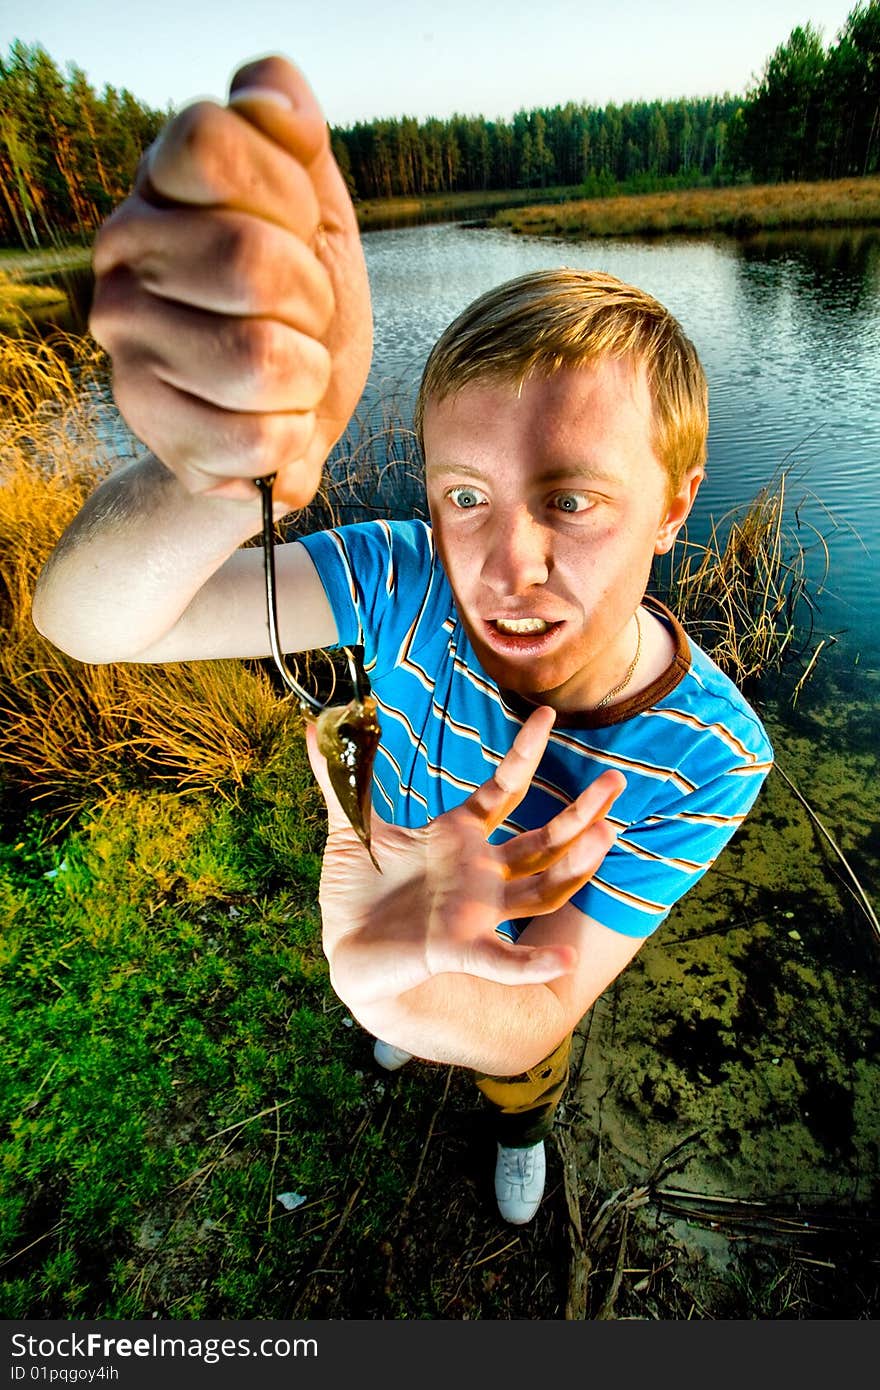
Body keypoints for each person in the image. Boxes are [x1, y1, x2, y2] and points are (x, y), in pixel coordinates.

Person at [32, 55, 773, 1227]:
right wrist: (221, 479)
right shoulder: (399, 572)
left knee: (515, 1071)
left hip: (492, 986)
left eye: (572, 500)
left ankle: (515, 1128)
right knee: (395, 1010)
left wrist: (406, 986)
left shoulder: (713, 755)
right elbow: (85, 623)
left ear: (675, 507)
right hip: (380, 904)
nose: (502, 564)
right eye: (464, 493)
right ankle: (392, 1025)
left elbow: (537, 1003)